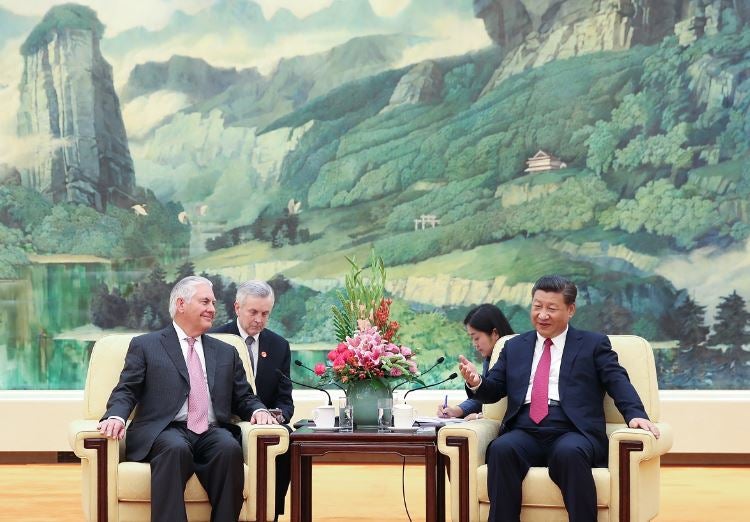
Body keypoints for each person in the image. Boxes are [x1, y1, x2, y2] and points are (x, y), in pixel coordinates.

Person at [458, 275, 660, 522]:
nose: (542, 315)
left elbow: (616, 380)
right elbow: (495, 389)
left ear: (570, 309)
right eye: (537, 306)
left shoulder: (593, 344)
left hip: (573, 430)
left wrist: (635, 414)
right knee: (502, 449)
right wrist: (476, 382)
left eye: (551, 308)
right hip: (525, 429)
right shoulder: (514, 346)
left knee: (569, 453)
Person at [98, 276, 278, 522]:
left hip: (211, 430)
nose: (212, 309)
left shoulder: (226, 351)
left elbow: (244, 397)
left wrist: (258, 410)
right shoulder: (146, 346)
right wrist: (115, 415)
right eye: (205, 301)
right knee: (175, 449)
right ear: (181, 304)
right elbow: (127, 389)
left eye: (213, 303)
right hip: (165, 429)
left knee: (228, 448)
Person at [209, 280, 293, 521]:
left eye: (265, 313)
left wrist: (277, 415)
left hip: (264, 424)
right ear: (237, 308)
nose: (259, 319)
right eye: (253, 312)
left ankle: (270, 514)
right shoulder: (214, 339)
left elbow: (286, 399)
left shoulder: (279, 346)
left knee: (285, 437)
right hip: (225, 422)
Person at [437, 304, 514, 420]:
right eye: (472, 338)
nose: (474, 344)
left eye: (476, 338)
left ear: (495, 333)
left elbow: (509, 400)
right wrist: (455, 411)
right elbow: (485, 397)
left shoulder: (516, 356)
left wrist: (480, 416)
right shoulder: (490, 359)